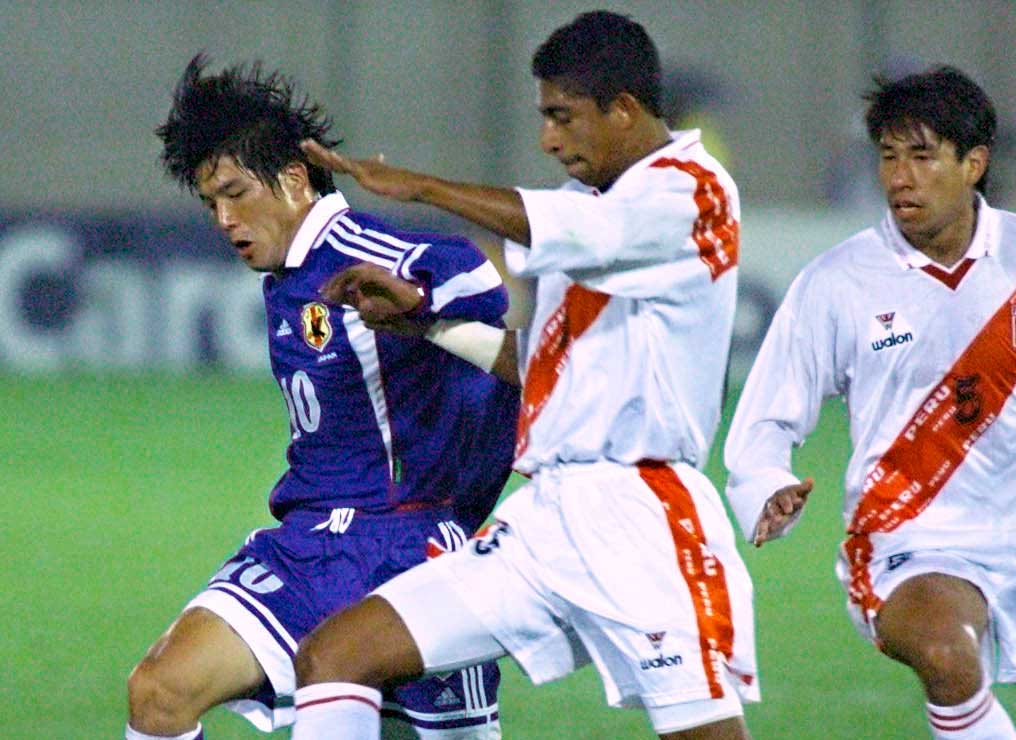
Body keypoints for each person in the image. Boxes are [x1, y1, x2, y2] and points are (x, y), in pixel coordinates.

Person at [287, 11, 758, 740]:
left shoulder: (691, 190)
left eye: (563, 117)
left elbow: (576, 235)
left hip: (645, 518)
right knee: (333, 657)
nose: (548, 139)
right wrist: (426, 321)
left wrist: (418, 188)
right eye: (544, 118)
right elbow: (537, 365)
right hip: (546, 517)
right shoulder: (585, 207)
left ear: (625, 109)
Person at [724, 65, 1016, 739]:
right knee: (947, 653)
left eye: (922, 156)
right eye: (888, 156)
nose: (899, 177)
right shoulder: (839, 281)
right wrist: (764, 483)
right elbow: (769, 409)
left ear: (974, 163)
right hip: (909, 539)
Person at [125, 54, 517, 740]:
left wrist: (420, 305)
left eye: (235, 193)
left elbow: (475, 281)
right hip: (310, 545)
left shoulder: (353, 247)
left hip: (402, 545)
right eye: (210, 202)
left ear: (295, 179)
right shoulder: (288, 275)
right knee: (158, 693)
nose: (222, 218)